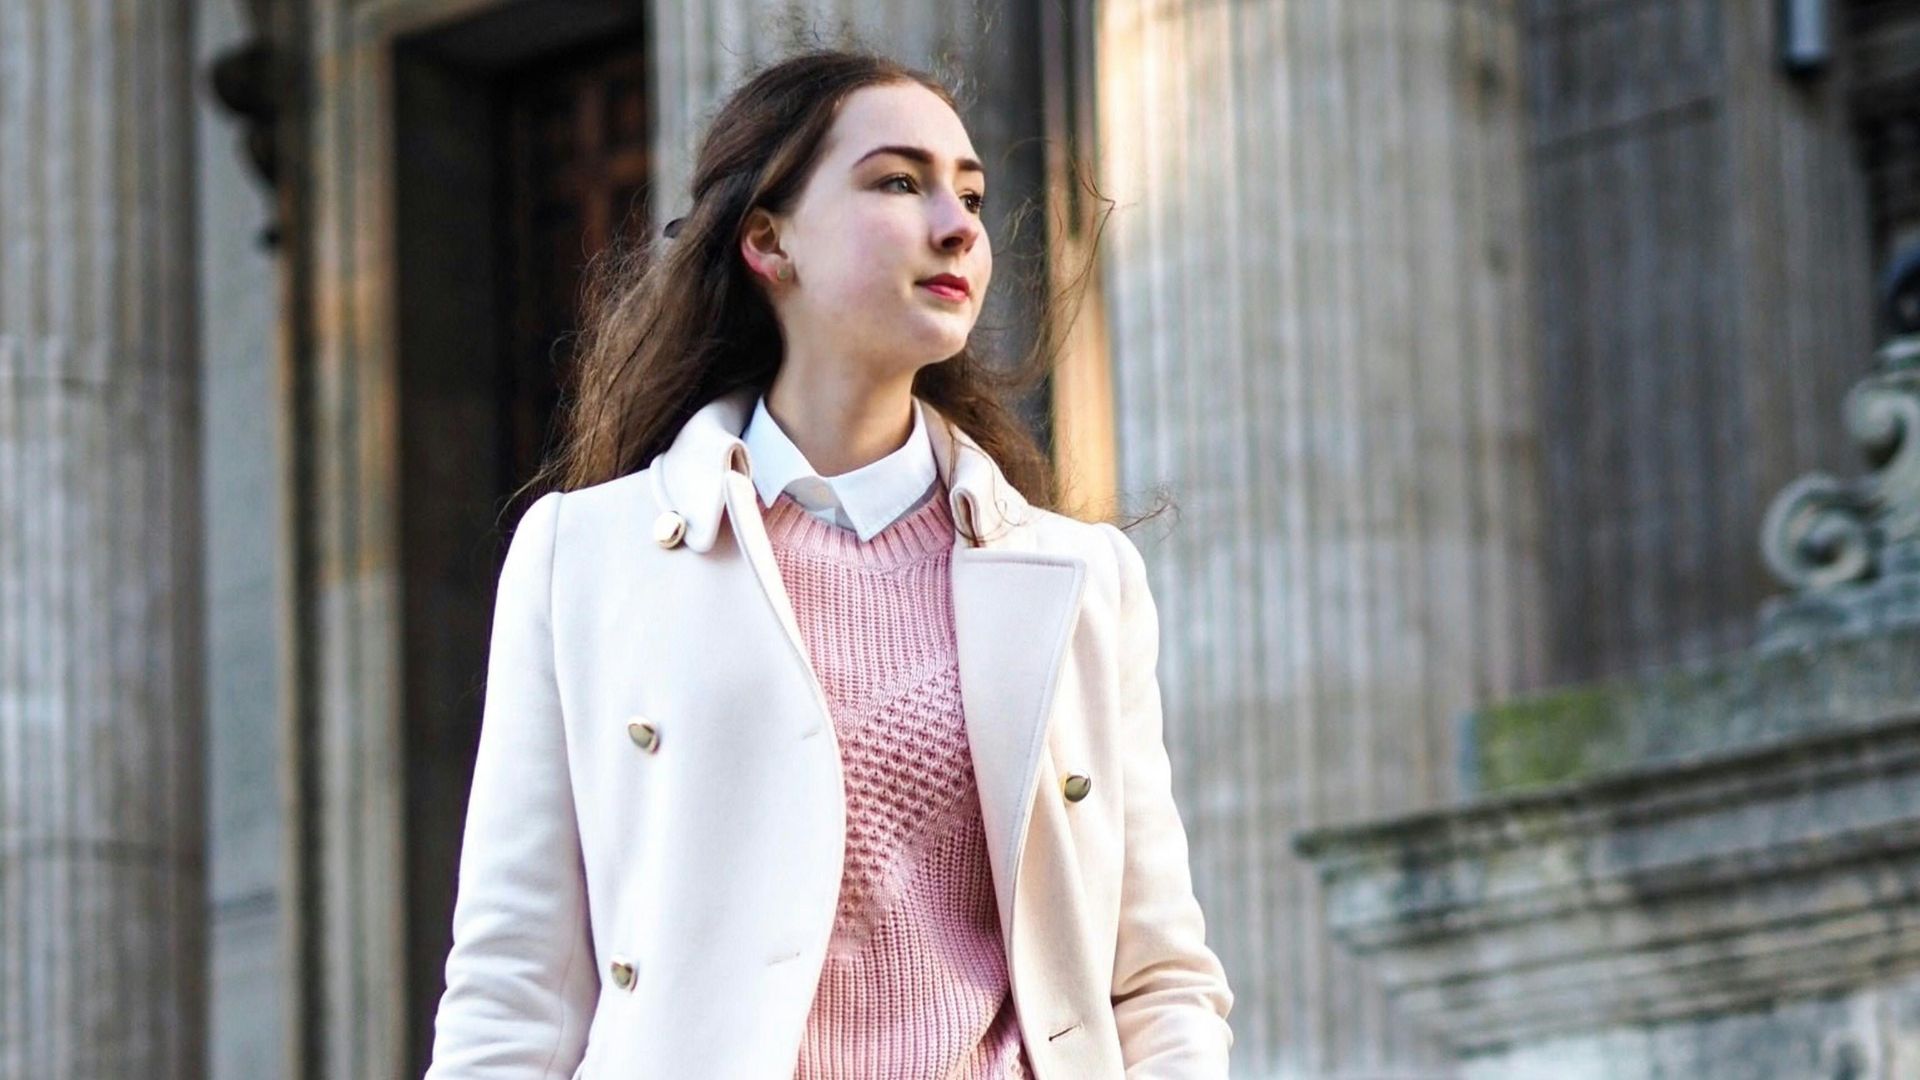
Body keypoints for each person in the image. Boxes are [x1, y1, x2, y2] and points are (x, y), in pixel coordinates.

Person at [422, 46, 1234, 1080]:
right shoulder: (584, 559)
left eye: (972, 195)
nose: (958, 226)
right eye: (900, 182)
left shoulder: (1081, 579)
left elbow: (1158, 976)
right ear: (768, 240)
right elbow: (509, 992)